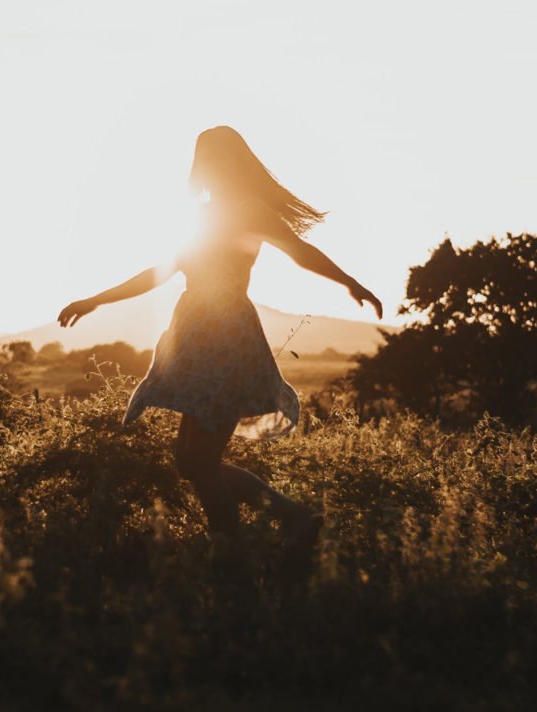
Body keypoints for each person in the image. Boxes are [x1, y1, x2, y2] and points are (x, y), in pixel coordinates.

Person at [56, 126, 383, 556]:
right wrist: (96, 299)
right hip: (195, 342)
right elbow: (160, 270)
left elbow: (300, 252)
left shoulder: (251, 210)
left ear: (228, 163)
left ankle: (239, 558)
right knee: (190, 462)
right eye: (201, 159)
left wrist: (350, 282)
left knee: (201, 463)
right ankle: (290, 519)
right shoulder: (202, 216)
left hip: (227, 341)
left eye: (210, 159)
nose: (203, 167)